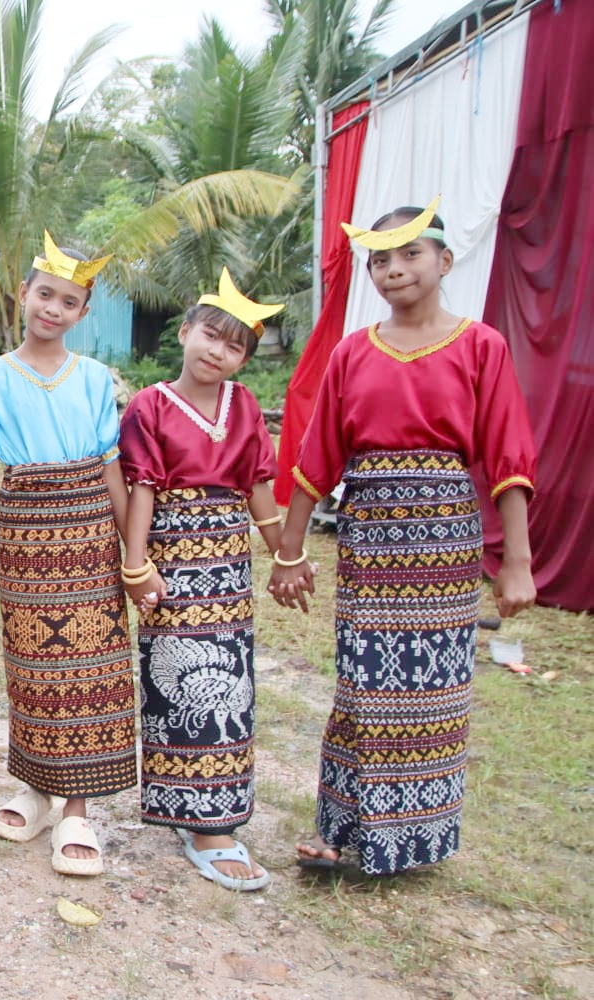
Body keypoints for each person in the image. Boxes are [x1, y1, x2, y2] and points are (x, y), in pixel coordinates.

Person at [273, 199, 536, 876]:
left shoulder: (481, 346)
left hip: (446, 539)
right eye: (379, 259)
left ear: (444, 260)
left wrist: (517, 563)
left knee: (432, 688)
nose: (394, 269)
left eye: (410, 254)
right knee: (362, 681)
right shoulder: (353, 352)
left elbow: (508, 457)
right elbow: (317, 458)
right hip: (369, 539)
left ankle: (413, 839)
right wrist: (290, 551)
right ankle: (343, 829)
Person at [0, 232, 131, 877]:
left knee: (89, 670)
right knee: (32, 665)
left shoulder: (94, 378)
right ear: (23, 293)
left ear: (83, 313)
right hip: (25, 533)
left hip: (88, 535)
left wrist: (133, 556)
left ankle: (77, 808)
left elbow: (111, 467)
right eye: (45, 294)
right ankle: (35, 788)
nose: (53, 309)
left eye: (69, 302)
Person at [119, 268, 287, 892]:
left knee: (232, 683)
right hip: (172, 560)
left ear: (244, 359)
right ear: (185, 331)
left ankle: (217, 816)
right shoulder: (150, 404)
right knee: (176, 684)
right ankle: (196, 819)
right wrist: (137, 564)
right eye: (210, 335)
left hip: (231, 566)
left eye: (234, 346)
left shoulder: (246, 406)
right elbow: (141, 488)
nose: (218, 351)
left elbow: (259, 487)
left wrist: (285, 552)